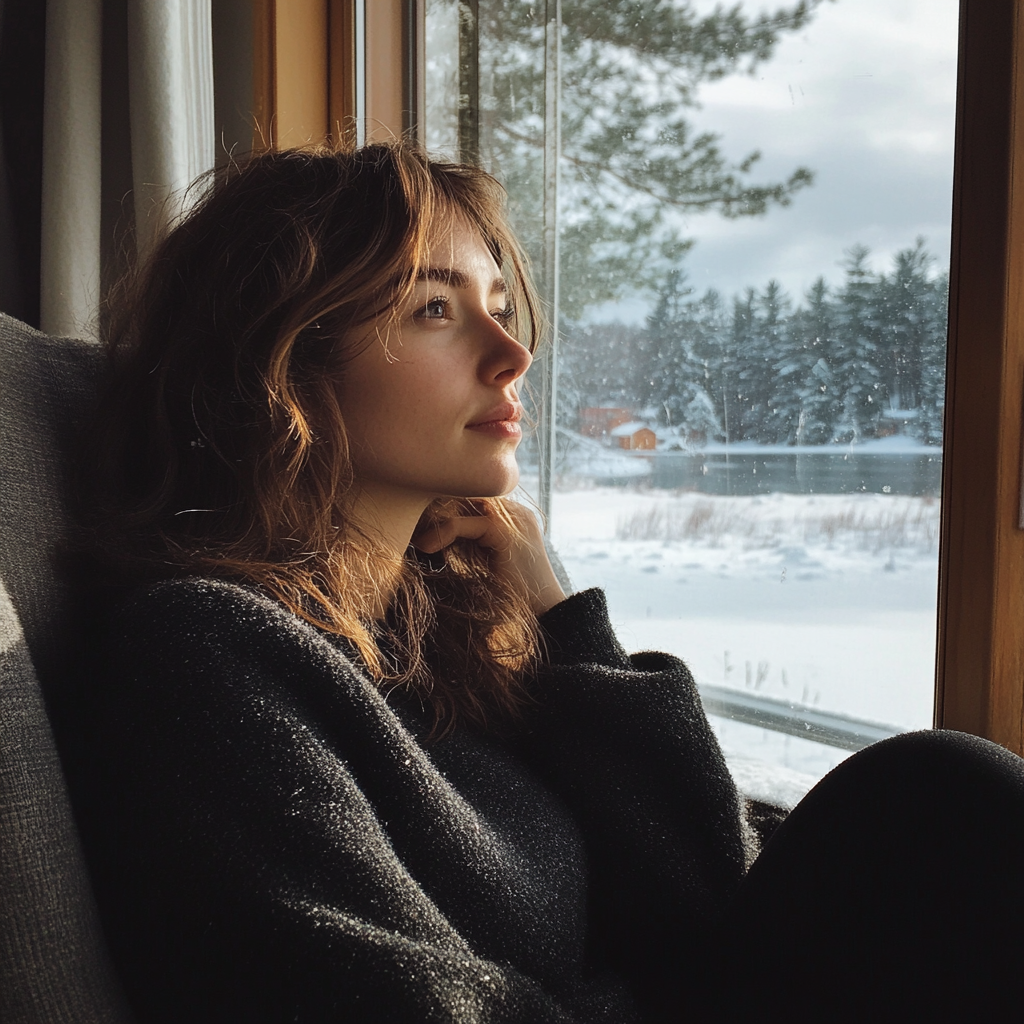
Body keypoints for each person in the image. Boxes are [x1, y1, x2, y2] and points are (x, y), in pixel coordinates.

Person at [63, 142, 1024, 1024]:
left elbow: (707, 904)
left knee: (938, 797)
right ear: (283, 359)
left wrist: (557, 613)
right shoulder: (203, 657)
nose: (514, 355)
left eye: (499, 304)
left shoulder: (433, 643)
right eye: (434, 308)